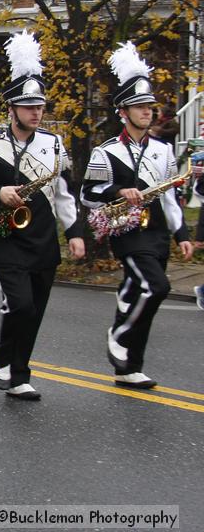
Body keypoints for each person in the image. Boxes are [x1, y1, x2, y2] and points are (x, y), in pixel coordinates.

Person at [0, 31, 85, 401]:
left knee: (35, 312)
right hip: (5, 241)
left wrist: (75, 231)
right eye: (28, 106)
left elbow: (63, 194)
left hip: (44, 241)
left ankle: (19, 374)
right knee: (20, 303)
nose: (36, 112)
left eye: (40, 106)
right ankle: (0, 353)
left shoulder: (54, 144)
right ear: (11, 109)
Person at [81, 42, 195, 388]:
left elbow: (172, 198)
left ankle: (130, 368)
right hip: (127, 233)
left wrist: (182, 236)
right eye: (140, 107)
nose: (148, 112)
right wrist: (118, 191)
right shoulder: (105, 153)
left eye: (150, 107)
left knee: (135, 293)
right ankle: (120, 334)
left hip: (157, 232)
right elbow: (87, 196)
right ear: (123, 112)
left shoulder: (163, 151)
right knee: (156, 287)